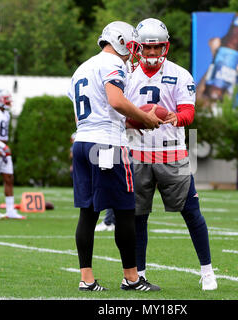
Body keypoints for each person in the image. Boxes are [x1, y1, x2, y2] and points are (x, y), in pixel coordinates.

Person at [67, 21, 162, 291]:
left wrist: (130, 123)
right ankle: (131, 278)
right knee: (124, 211)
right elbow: (115, 101)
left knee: (88, 213)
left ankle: (87, 279)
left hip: (83, 141)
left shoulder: (82, 68)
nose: (133, 53)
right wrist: (145, 118)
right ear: (119, 41)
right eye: (132, 46)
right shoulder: (113, 63)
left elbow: (85, 114)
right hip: (107, 145)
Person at [126, 18, 218, 290]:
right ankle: (139, 274)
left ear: (165, 47)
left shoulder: (180, 74)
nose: (152, 53)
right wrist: (137, 118)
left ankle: (208, 271)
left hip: (171, 153)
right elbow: (118, 112)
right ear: (138, 47)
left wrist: (173, 118)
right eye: (148, 48)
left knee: (192, 212)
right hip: (136, 153)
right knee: (137, 217)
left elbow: (189, 112)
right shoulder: (127, 73)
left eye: (157, 48)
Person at [0, 89, 25, 220]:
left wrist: (4, 147)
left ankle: (10, 211)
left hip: (5, 148)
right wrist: (0, 146)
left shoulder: (7, 114)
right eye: (6, 99)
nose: (8, 102)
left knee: (9, 178)